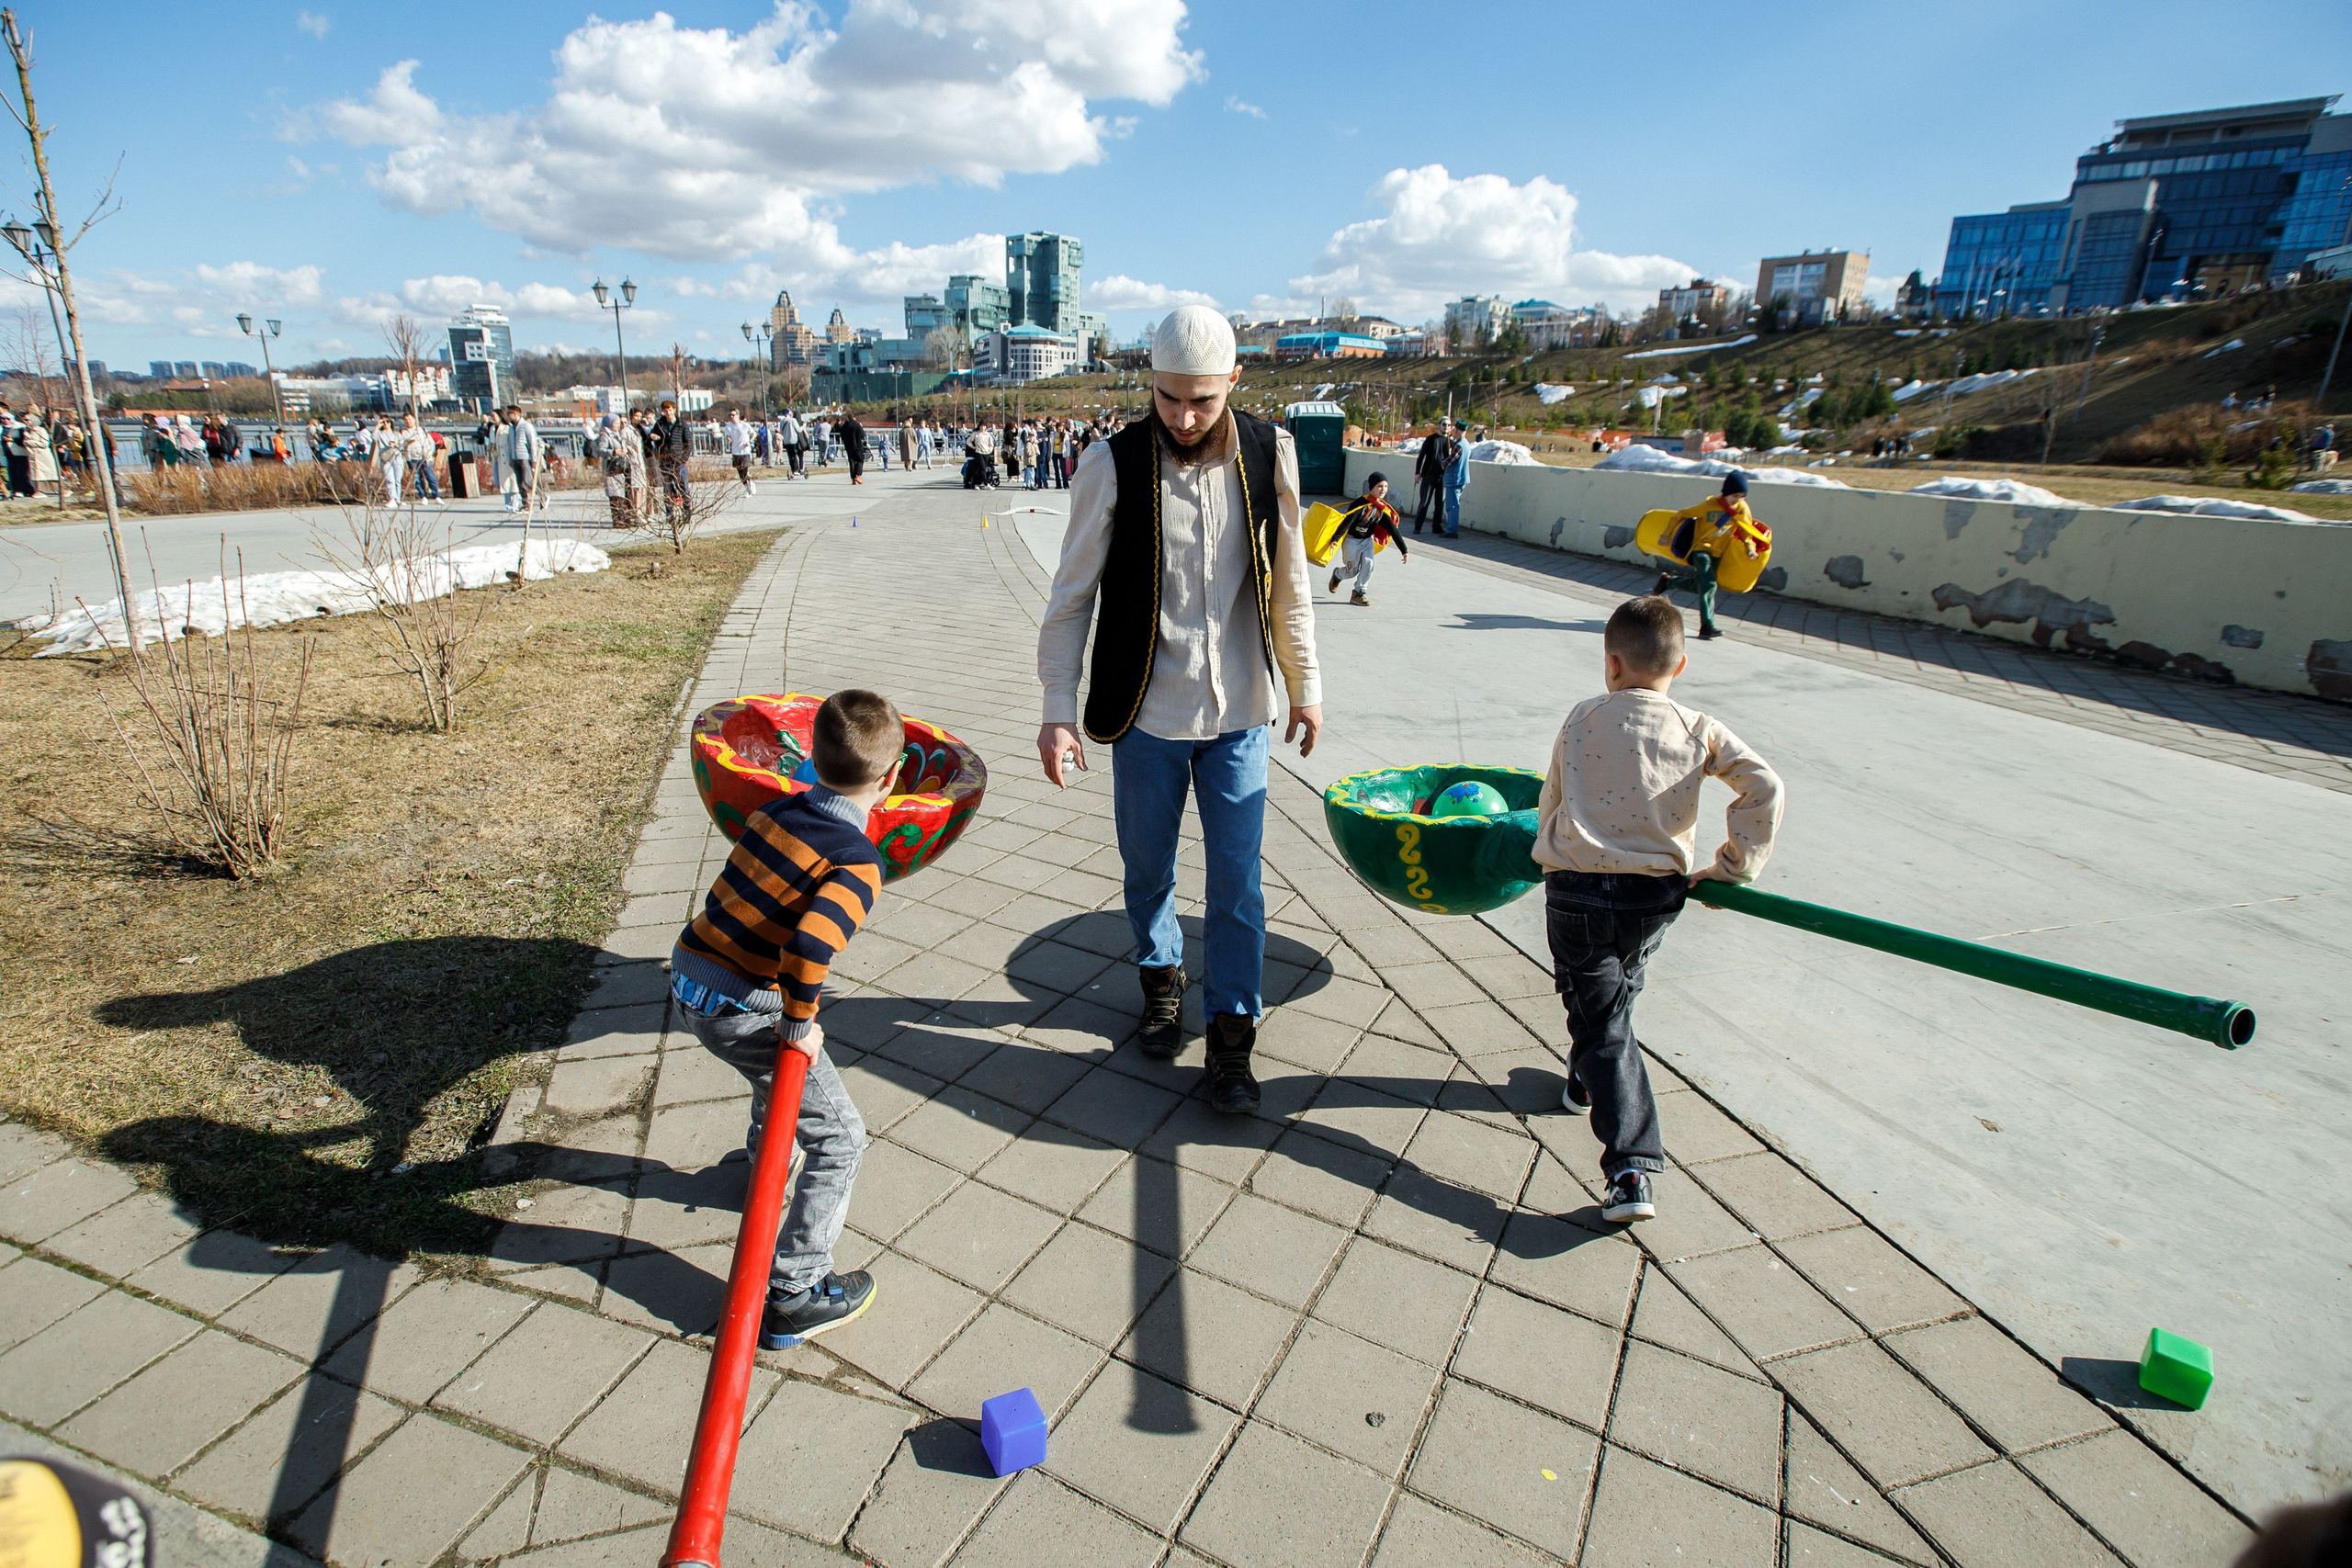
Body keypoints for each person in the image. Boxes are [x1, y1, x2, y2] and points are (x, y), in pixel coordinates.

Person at [1036, 304, 1322, 1113]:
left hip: (1240, 713)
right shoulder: (1111, 462)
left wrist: (1307, 685)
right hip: (1147, 714)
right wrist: (1058, 707)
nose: (1186, 417)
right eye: (1169, 399)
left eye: (1203, 399)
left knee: (1237, 883)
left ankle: (1233, 1037)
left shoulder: (1272, 454)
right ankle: (1161, 975)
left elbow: (1291, 583)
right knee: (1147, 867)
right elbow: (1070, 600)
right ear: (1150, 383)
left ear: (1234, 381)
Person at [1532, 594, 1783, 1223]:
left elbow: (1553, 797)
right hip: (1654, 895)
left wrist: (1548, 852)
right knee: (1614, 995)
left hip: (1578, 889)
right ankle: (1585, 1080)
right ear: (1682, 664)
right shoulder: (1700, 729)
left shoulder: (1582, 717)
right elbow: (1765, 786)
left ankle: (1631, 1167)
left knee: (1601, 1015)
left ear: (1612, 664)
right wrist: (1734, 865)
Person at [669, 689, 900, 1347]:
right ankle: (797, 1288)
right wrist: (799, 1028)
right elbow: (807, 949)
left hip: (691, 974)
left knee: (773, 1078)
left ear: (812, 757)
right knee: (841, 1137)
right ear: (887, 781)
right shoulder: (857, 862)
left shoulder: (776, 809)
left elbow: (738, 892)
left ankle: (760, 1169)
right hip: (743, 1002)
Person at [1655, 471, 1768, 641]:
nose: (1738, 500)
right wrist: (1666, 534)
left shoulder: (1742, 509)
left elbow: (1746, 532)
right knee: (1709, 584)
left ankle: (1668, 581)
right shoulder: (1708, 506)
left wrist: (1750, 548)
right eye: (1735, 495)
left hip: (1719, 553)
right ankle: (1707, 626)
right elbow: (1681, 514)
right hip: (1700, 550)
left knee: (1703, 586)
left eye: (1742, 497)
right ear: (1726, 492)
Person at [1325, 471, 1408, 606]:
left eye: (1385, 486)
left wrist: (1404, 550)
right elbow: (1347, 522)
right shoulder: (1361, 504)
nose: (1383, 490)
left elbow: (1392, 529)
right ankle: (1338, 575)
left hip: (1367, 541)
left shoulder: (1381, 508)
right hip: (1352, 541)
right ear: (1372, 487)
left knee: (1369, 564)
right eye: (1380, 486)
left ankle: (1359, 593)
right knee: (1352, 571)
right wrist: (1335, 539)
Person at [596, 412, 646, 528]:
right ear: (609, 423)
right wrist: (613, 452)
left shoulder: (617, 434)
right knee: (615, 496)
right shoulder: (605, 435)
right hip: (612, 469)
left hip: (622, 468)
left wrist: (625, 449)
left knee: (625, 494)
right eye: (616, 423)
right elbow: (599, 450)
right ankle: (618, 520)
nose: (618, 425)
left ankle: (627, 518)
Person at [1413, 419, 1457, 534]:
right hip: (1428, 475)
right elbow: (1421, 456)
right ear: (1439, 425)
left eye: (1448, 425)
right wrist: (1418, 473)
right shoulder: (1431, 439)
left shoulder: (1450, 441)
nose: (1446, 427)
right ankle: (1418, 526)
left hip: (1443, 476)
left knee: (1440, 503)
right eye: (1444, 424)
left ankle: (1436, 526)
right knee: (1424, 501)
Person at [653, 400, 691, 522]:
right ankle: (670, 514)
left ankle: (687, 512)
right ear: (663, 412)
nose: (668, 413)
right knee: (667, 488)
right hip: (665, 460)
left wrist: (683, 458)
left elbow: (689, 443)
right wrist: (653, 437)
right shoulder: (660, 424)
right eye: (666, 411)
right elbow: (652, 435)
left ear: (674, 410)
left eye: (670, 410)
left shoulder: (681, 424)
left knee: (683, 486)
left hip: (678, 460)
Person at [502, 405, 542, 515]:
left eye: (509, 413)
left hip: (524, 457)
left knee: (527, 481)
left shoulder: (526, 426)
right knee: (520, 483)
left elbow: (533, 443)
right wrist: (510, 457)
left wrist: (534, 460)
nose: (508, 416)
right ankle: (526, 505)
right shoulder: (511, 427)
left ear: (515, 413)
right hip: (515, 458)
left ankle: (542, 496)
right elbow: (510, 444)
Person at [401, 412, 443, 504]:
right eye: (406, 420)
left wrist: (429, 454)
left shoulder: (422, 430)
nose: (408, 421)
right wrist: (407, 443)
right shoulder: (403, 432)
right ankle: (423, 496)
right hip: (412, 458)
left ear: (414, 420)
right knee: (416, 478)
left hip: (424, 457)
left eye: (410, 419)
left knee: (431, 476)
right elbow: (401, 445)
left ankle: (436, 495)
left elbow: (431, 443)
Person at [722, 408, 758, 494]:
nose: (731, 417)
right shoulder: (728, 427)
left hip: (744, 451)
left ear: (737, 415)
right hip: (735, 452)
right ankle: (747, 488)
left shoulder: (745, 425)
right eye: (730, 415)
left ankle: (750, 485)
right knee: (740, 473)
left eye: (733, 415)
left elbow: (754, 433)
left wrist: (749, 441)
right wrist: (728, 438)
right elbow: (727, 436)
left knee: (745, 471)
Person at [840, 411, 866, 484]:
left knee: (852, 463)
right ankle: (858, 475)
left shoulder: (844, 426)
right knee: (860, 460)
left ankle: (853, 478)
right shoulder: (857, 425)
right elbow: (862, 435)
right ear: (853, 417)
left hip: (849, 447)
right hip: (857, 446)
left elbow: (841, 436)